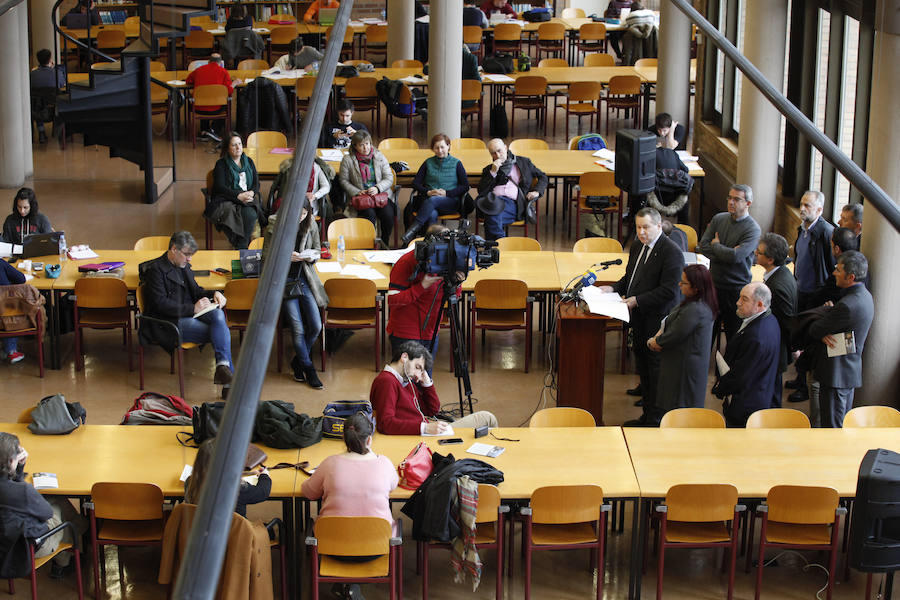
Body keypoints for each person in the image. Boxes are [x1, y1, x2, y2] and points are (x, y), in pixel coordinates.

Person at [599, 207, 683, 426]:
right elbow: (631, 277)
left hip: (657, 318)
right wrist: (614, 288)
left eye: (646, 227)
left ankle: (654, 418)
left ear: (658, 226)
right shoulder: (638, 245)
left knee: (655, 369)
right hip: (638, 317)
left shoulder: (671, 252)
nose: (641, 232)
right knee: (642, 364)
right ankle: (646, 408)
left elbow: (669, 291)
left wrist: (638, 300)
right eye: (638, 227)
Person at [300, 411, 396, 600]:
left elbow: (309, 492)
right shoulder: (384, 464)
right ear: (369, 439)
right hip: (375, 548)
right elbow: (393, 486)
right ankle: (351, 587)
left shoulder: (330, 464)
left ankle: (346, 585)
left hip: (332, 549)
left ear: (343, 438)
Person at [140, 231, 233, 390]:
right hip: (168, 322)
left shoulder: (183, 265)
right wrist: (192, 308)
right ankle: (229, 384)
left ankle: (223, 367)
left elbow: (196, 292)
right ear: (174, 249)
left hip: (188, 314)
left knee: (218, 315)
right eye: (187, 254)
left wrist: (215, 294)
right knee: (220, 330)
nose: (190, 259)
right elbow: (159, 304)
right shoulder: (155, 270)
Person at [0, 432, 87, 579]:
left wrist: (17, 470)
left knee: (53, 501)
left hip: (5, 543)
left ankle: (79, 532)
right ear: (10, 461)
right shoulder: (22, 491)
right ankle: (68, 555)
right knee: (58, 508)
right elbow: (46, 514)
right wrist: (19, 472)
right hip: (23, 549)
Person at [263, 196, 326, 389]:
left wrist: (309, 257)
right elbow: (265, 256)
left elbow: (317, 250)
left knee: (316, 325)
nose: (300, 216)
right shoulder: (274, 226)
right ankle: (308, 368)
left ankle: (297, 361)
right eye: (298, 212)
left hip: (304, 279)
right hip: (284, 282)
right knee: (297, 328)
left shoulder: (311, 226)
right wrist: (283, 256)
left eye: (305, 213)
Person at [370, 341, 498, 435]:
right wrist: (424, 428)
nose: (418, 374)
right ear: (404, 357)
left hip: (428, 429)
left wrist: (427, 383)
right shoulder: (387, 381)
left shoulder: (403, 380)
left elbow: (432, 410)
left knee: (486, 419)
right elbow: (385, 423)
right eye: (418, 367)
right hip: (423, 435)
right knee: (487, 418)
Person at [807, 251, 874, 428]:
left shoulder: (846, 305)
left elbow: (815, 329)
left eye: (838, 269)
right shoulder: (865, 297)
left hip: (836, 374)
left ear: (850, 277)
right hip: (848, 370)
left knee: (833, 428)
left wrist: (824, 322)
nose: (834, 272)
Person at [386, 225, 462, 368]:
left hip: (431, 332)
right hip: (405, 333)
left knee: (426, 378)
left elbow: (454, 296)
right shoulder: (406, 262)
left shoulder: (448, 263)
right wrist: (422, 286)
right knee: (407, 383)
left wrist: (457, 283)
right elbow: (393, 301)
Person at [647, 264, 717, 415]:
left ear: (696, 288)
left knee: (680, 410)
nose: (679, 284)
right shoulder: (695, 302)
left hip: (684, 368)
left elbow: (676, 333)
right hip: (682, 361)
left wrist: (656, 342)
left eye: (684, 282)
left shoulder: (695, 309)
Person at [785, 190, 834, 403]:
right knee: (799, 336)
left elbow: (830, 266)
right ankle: (799, 377)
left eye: (808, 206)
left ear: (820, 210)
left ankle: (805, 387)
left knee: (809, 339)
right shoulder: (802, 229)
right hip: (801, 290)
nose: (803, 208)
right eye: (802, 204)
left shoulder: (825, 233)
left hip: (815, 294)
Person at [695, 184, 760, 342]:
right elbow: (703, 246)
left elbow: (736, 257)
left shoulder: (753, 229)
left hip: (736, 289)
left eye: (736, 199)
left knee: (733, 336)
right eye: (729, 198)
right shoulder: (719, 219)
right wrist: (728, 252)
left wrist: (716, 245)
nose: (731, 202)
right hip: (714, 284)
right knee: (706, 334)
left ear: (748, 204)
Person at [711, 282, 781, 427]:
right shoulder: (770, 319)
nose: (738, 303)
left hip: (747, 406)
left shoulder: (756, 336)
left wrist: (720, 388)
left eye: (745, 299)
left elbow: (741, 376)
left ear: (760, 304)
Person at [402, 134, 470, 245]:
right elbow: (415, 183)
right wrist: (428, 192)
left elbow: (465, 186)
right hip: (429, 203)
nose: (439, 150)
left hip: (450, 202)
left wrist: (447, 193)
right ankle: (428, 244)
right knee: (432, 214)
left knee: (434, 200)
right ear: (432, 149)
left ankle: (413, 230)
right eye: (436, 148)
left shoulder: (456, 163)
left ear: (448, 146)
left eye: (442, 147)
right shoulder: (428, 162)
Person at [475, 138, 548, 242]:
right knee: (493, 213)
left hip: (513, 204)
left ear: (506, 148)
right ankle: (501, 245)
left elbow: (543, 177)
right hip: (492, 201)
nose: (497, 155)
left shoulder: (523, 162)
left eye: (499, 151)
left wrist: (536, 191)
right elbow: (481, 191)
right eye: (493, 153)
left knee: (491, 217)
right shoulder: (489, 169)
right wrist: (493, 173)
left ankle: (493, 246)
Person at [755, 233, 797, 408]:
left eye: (759, 252)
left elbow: (786, 323)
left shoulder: (777, 287)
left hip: (775, 349)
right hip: (775, 347)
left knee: (771, 396)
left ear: (770, 259)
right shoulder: (781, 274)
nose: (755, 253)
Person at [207, 132, 267, 250]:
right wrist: (238, 195)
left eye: (240, 144)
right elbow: (220, 187)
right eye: (234, 145)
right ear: (227, 148)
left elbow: (256, 183)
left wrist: (252, 193)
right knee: (234, 215)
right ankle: (241, 245)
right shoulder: (221, 164)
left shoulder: (249, 161)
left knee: (250, 214)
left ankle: (240, 245)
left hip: (247, 198)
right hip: (227, 198)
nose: (238, 147)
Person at [184, 438, 270, 517]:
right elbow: (263, 492)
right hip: (236, 532)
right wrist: (264, 475)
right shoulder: (238, 489)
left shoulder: (190, 482)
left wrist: (248, 473)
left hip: (200, 532)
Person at [338, 130, 396, 242]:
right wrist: (356, 191)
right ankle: (369, 243)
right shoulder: (348, 160)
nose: (366, 148)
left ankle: (384, 242)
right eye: (361, 145)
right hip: (362, 197)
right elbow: (343, 180)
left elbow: (389, 177)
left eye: (367, 143)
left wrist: (377, 188)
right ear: (355, 146)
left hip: (380, 195)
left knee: (388, 215)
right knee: (369, 216)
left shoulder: (379, 156)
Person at [185, 54, 237, 142]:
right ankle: (214, 130)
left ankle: (204, 131)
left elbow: (188, 81)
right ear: (220, 63)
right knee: (224, 104)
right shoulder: (223, 72)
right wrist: (234, 83)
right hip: (217, 108)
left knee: (204, 100)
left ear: (209, 61)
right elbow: (229, 91)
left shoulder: (199, 70)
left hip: (198, 108)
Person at [647, 134, 692, 223]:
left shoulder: (651, 154)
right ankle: (684, 226)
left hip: (657, 195)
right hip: (677, 195)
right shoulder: (673, 153)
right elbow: (686, 170)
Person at [29, 49, 66, 144]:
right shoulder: (57, 73)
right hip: (54, 108)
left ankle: (41, 132)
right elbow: (62, 84)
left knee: (38, 102)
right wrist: (52, 69)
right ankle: (57, 132)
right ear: (50, 60)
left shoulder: (32, 74)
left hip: (37, 110)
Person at [0, 259, 27, 363]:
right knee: (10, 307)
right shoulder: (1, 263)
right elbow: (21, 279)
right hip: (5, 314)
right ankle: (11, 351)